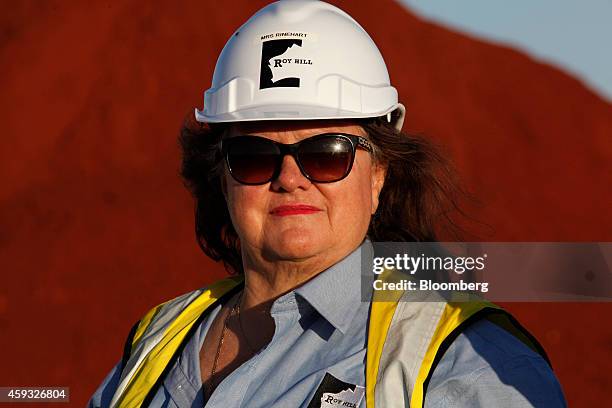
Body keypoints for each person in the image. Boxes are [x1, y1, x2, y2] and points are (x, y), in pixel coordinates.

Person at [89, 1, 566, 407]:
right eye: (255, 157)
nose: (290, 179)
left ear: (378, 175)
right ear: (222, 178)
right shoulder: (156, 341)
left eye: (327, 153)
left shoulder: (464, 361)